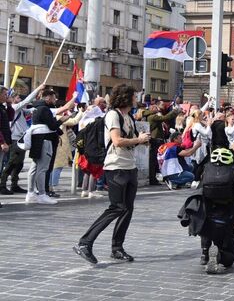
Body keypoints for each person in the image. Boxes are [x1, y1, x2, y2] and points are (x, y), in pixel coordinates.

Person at [73, 84, 151, 264]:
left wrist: (142, 141)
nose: (136, 99)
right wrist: (138, 139)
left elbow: (129, 141)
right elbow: (116, 140)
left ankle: (117, 247)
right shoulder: (113, 115)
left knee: (127, 208)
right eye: (134, 96)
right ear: (126, 97)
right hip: (115, 167)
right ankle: (85, 243)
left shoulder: (128, 117)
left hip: (129, 166)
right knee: (116, 207)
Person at [24, 90, 72, 204]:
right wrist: (62, 120)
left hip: (37, 140)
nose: (55, 100)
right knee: (42, 168)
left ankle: (31, 193)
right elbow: (52, 126)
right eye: (53, 98)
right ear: (48, 97)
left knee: (35, 167)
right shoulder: (44, 109)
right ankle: (42, 194)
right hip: (44, 140)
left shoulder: (36, 108)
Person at [0, 83, 44, 195]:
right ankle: (3, 184)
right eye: (18, 97)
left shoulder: (15, 109)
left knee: (19, 163)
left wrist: (40, 101)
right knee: (12, 162)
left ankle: (14, 184)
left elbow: (30, 109)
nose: (20, 99)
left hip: (21, 138)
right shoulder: (15, 107)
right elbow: (26, 101)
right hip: (15, 139)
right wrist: (38, 89)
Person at [148, 100, 180, 185]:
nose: (159, 109)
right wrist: (174, 111)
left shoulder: (155, 116)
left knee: (156, 160)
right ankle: (152, 179)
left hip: (158, 140)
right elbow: (165, 118)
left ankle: (154, 178)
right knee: (153, 161)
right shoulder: (152, 117)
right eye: (156, 108)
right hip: (155, 140)